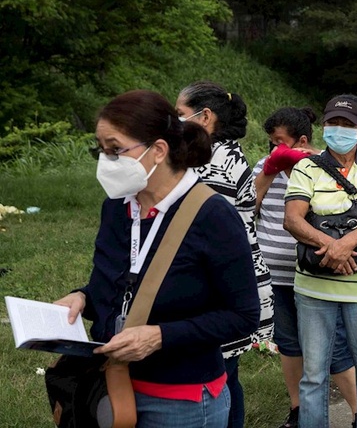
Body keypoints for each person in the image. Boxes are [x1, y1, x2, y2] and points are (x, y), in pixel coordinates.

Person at [56, 90, 260, 427]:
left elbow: (243, 315)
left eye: (115, 150)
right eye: (101, 150)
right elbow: (123, 285)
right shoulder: (117, 207)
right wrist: (83, 298)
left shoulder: (212, 216)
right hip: (112, 385)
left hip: (182, 399)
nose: (105, 161)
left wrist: (160, 336)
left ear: (159, 150)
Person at [283, 94, 357, 428]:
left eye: (347, 125)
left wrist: (341, 246)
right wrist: (335, 248)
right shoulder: (305, 167)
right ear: (323, 127)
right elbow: (293, 218)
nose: (339, 130)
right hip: (314, 289)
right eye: (333, 123)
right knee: (314, 375)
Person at [175, 82, 274, 428]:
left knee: (220, 379)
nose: (175, 123)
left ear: (205, 118)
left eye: (180, 115)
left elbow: (192, 225)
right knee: (226, 376)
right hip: (228, 280)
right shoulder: (215, 155)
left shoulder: (216, 163)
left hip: (225, 286)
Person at [251, 108, 357, 428]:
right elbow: (248, 208)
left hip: (317, 271)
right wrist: (269, 171)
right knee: (289, 343)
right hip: (275, 274)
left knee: (334, 344)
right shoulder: (264, 166)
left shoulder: (326, 167)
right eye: (270, 143)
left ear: (301, 140)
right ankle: (298, 411)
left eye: (280, 142)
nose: (274, 149)